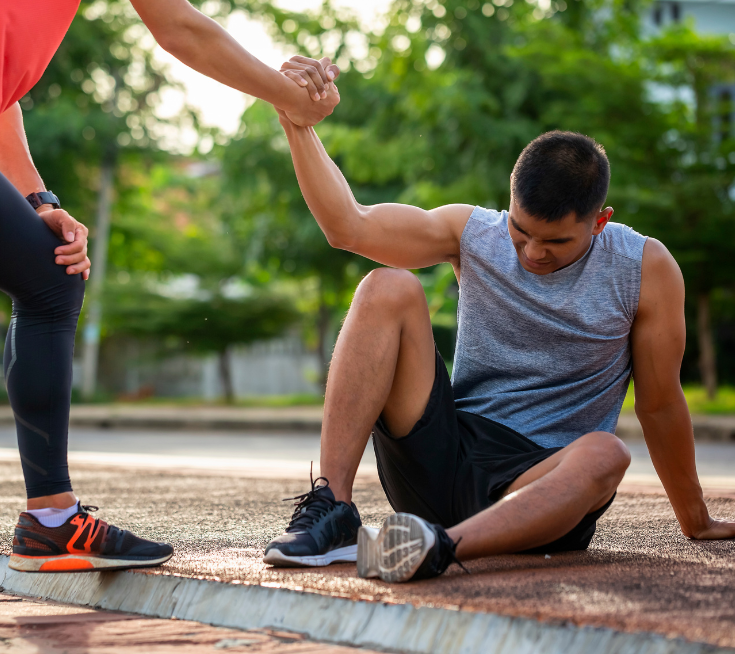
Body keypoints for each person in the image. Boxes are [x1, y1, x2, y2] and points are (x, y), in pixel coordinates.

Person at [0, 0, 337, 574]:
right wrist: (293, 98)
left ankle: (52, 520)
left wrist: (38, 201)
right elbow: (181, 29)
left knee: (50, 274)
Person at [262, 83, 735, 580]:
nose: (533, 253)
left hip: (539, 486)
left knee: (608, 453)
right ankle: (333, 507)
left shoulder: (643, 268)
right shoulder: (474, 233)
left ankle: (438, 548)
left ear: (599, 222)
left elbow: (659, 403)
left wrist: (696, 519)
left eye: (555, 241)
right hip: (443, 457)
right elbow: (349, 226)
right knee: (387, 286)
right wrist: (296, 119)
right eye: (521, 231)